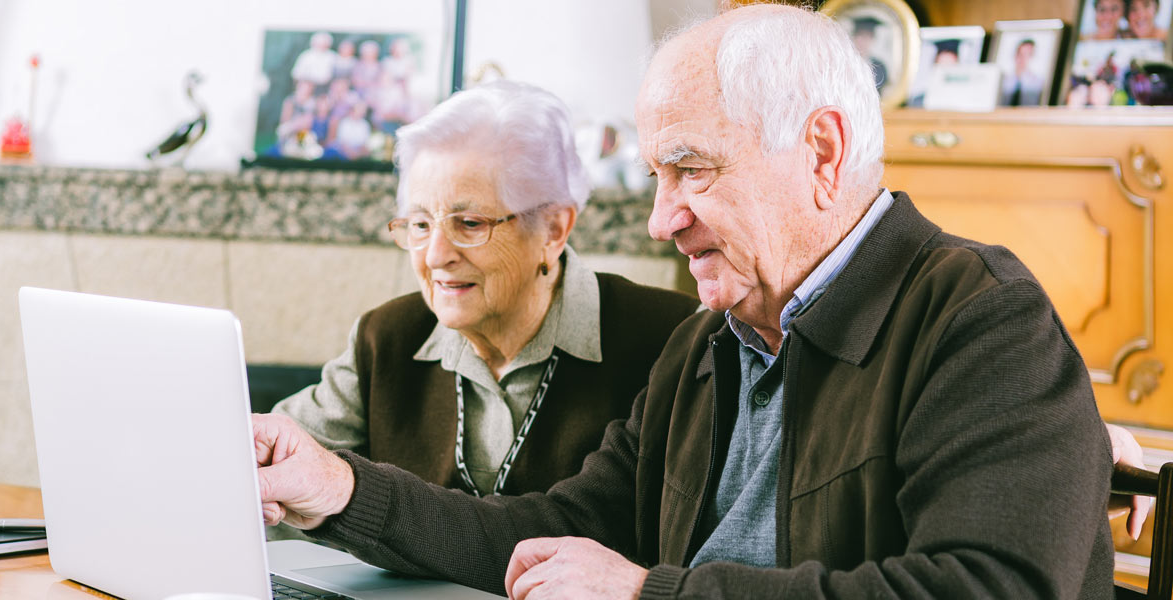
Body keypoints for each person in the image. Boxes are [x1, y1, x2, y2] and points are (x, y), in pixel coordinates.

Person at [257, 6, 1138, 598]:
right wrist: (335, 489)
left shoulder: (980, 318)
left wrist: (647, 592)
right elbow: (550, 531)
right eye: (654, 175)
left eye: (692, 169)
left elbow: (990, 589)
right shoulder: (709, 344)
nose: (657, 220)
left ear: (821, 152)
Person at [271, 79, 700, 501]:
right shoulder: (386, 338)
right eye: (420, 224)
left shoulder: (673, 341)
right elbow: (274, 461)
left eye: (470, 223)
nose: (436, 255)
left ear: (553, 228)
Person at [999, 39, 1045, 106]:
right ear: (1015, 55)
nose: (1023, 58)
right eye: (1020, 54)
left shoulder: (1039, 82)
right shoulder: (1003, 80)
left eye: (1027, 55)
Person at [850, 16, 888, 93]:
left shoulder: (880, 66)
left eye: (866, 37)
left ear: (872, 39)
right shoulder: (846, 62)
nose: (862, 41)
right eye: (859, 35)